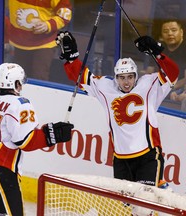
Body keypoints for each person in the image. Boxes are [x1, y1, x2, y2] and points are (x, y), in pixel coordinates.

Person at [56, 31, 179, 187]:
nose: (126, 82)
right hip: (121, 159)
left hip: (148, 157)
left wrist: (158, 54)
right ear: (116, 78)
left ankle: (158, 189)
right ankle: (159, 187)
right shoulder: (106, 88)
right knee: (126, 206)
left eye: (130, 77)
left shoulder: (149, 85)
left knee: (143, 207)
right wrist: (72, 58)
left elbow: (173, 73)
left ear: (136, 76)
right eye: (122, 77)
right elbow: (80, 77)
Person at [0, 63, 74, 215]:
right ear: (16, 83)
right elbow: (25, 141)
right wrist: (53, 135)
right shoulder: (19, 104)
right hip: (0, 168)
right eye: (20, 82)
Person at [8, 0, 72, 81]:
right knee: (18, 78)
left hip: (44, 44)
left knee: (39, 77)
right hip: (19, 42)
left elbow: (65, 14)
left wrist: (48, 25)